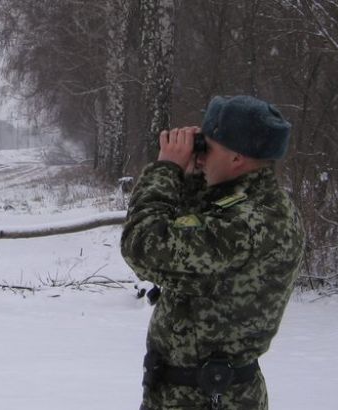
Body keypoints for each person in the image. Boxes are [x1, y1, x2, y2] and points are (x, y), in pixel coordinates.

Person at [121, 95, 305, 410]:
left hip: (208, 398)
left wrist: (166, 170)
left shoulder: (248, 222)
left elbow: (143, 246)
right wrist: (190, 178)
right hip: (194, 392)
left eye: (208, 147)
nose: (200, 155)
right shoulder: (247, 202)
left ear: (236, 159)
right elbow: (191, 227)